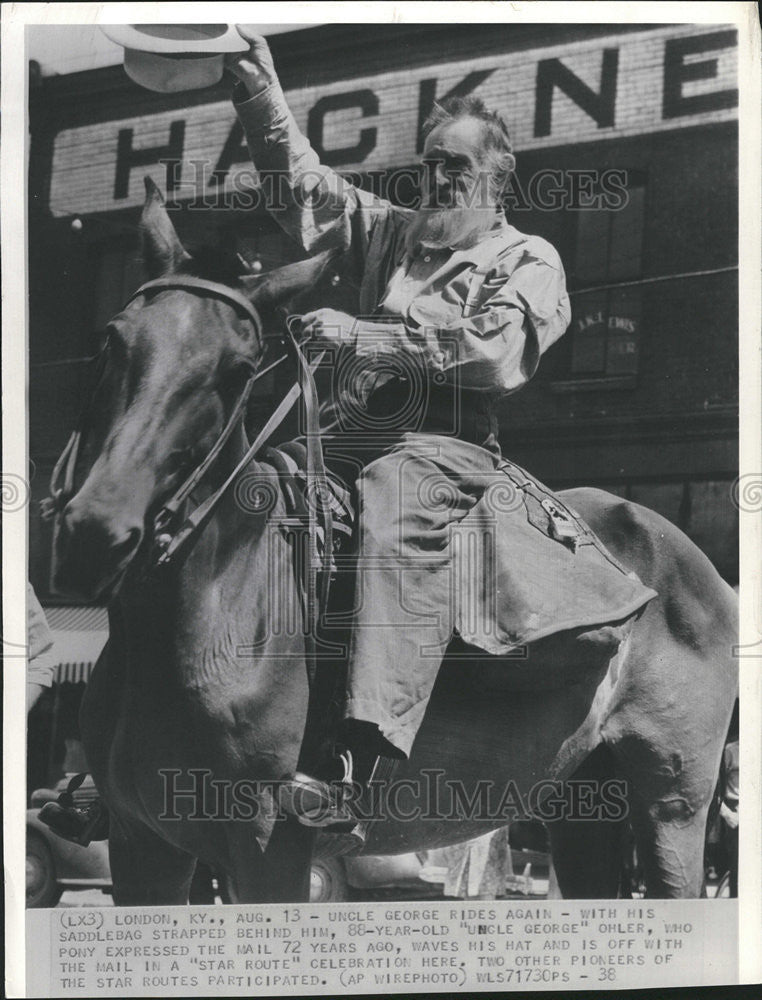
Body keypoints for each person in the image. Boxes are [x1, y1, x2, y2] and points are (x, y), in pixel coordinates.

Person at [225, 29, 573, 828]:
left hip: (444, 443)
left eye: (455, 166)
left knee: (394, 504)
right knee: (253, 495)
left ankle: (362, 760)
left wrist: (361, 335)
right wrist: (254, 84)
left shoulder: (528, 257)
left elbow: (493, 356)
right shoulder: (394, 233)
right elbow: (302, 186)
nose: (436, 179)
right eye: (427, 164)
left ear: (495, 177)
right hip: (351, 427)